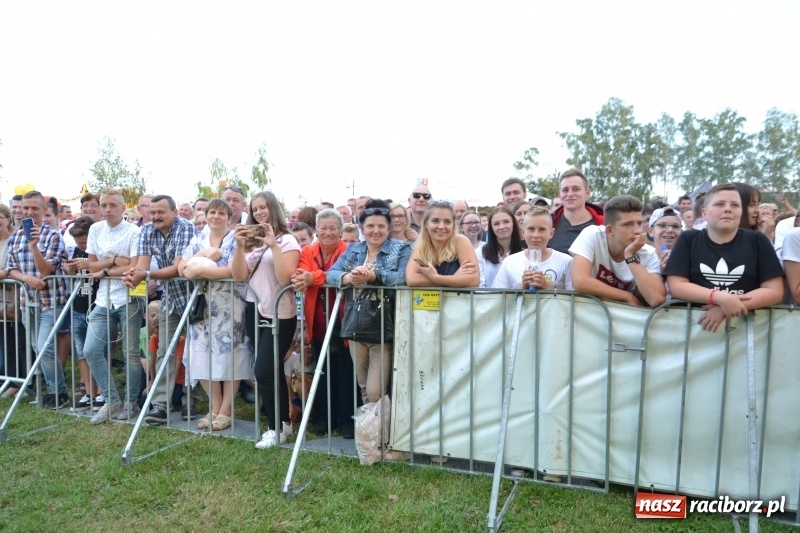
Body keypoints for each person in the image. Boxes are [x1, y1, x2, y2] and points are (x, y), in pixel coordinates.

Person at [230, 191, 300, 449]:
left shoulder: (287, 240)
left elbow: (285, 279)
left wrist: (273, 245)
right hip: (254, 309)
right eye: (254, 208)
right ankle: (284, 424)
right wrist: (240, 246)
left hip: (280, 313)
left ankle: (275, 428)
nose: (258, 212)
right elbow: (239, 276)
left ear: (273, 208)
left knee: (262, 371)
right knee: (271, 370)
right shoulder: (251, 242)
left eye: (263, 207)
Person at [665, 183, 784, 333]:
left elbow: (774, 291)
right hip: (693, 331)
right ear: (704, 213)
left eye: (735, 205)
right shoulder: (688, 239)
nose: (728, 209)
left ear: (741, 212)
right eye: (720, 204)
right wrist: (719, 298)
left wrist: (726, 307)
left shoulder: (757, 240)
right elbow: (676, 286)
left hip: (744, 333)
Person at [327, 199, 411, 406]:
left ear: (388, 228)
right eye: (370, 226)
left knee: (375, 391)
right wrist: (349, 278)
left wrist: (374, 276)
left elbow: (403, 277)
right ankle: (372, 426)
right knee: (364, 385)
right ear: (362, 228)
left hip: (385, 325)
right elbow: (331, 273)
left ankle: (382, 425)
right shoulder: (353, 249)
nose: (376, 230)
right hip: (356, 323)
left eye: (381, 226)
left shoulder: (401, 249)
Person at [177, 199, 252, 431]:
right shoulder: (197, 239)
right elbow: (182, 269)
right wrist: (203, 255)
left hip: (230, 307)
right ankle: (215, 406)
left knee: (231, 358)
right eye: (212, 212)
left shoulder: (234, 239)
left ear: (229, 217)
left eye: (221, 213)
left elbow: (236, 272)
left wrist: (200, 269)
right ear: (206, 215)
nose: (216, 216)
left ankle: (226, 410)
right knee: (200, 356)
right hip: (202, 307)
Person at [123, 194, 196, 424]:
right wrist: (133, 276)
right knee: (165, 351)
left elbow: (178, 268)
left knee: (196, 351)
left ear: (174, 212)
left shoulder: (185, 227)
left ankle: (190, 400)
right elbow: (141, 266)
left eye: (161, 212)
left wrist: (144, 274)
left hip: (195, 296)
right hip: (170, 298)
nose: (155, 216)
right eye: (152, 212)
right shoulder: (146, 230)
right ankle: (161, 406)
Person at [80, 190, 144, 422]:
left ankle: (131, 402)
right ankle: (112, 400)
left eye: (112, 205)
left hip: (129, 297)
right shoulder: (95, 229)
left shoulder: (134, 231)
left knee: (130, 353)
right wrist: (115, 261)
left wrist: (104, 270)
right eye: (104, 205)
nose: (107, 209)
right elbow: (91, 266)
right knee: (90, 349)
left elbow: (134, 267)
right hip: (103, 299)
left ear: (123, 208)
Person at [290, 208, 353, 438]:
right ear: (316, 230)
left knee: (346, 373)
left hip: (344, 321)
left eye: (333, 228)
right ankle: (326, 418)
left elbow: (338, 274)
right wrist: (311, 277)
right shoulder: (308, 250)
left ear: (340, 230)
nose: (328, 232)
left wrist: (313, 277)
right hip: (317, 322)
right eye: (323, 228)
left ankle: (346, 420)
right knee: (323, 370)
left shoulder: (349, 250)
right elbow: (302, 272)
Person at [6, 191, 69, 408]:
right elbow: (11, 269)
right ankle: (56, 387)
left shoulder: (53, 236)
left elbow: (45, 270)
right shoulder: (15, 237)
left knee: (44, 346)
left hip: (51, 301)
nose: (29, 212)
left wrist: (34, 245)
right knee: (36, 346)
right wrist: (26, 278)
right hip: (26, 301)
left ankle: (58, 391)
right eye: (26, 208)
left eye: (34, 208)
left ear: (44, 210)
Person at [570, 195, 666, 307]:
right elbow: (580, 281)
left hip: (624, 315)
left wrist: (630, 255)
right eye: (628, 224)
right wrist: (627, 297)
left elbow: (656, 299)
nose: (638, 230)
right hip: (589, 309)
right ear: (610, 230)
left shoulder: (648, 253)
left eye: (639, 223)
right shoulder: (593, 235)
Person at [61, 216, 101, 410]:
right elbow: (75, 276)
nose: (81, 246)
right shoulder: (77, 250)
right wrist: (71, 269)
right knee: (81, 352)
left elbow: (107, 270)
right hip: (78, 305)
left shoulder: (100, 250)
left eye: (84, 242)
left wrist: (89, 264)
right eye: (78, 243)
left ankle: (101, 392)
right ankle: (88, 392)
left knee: (98, 351)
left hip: (98, 305)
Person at [493, 207, 573, 290]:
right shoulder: (509, 262)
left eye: (542, 229)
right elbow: (497, 295)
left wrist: (549, 288)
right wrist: (522, 288)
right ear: (523, 232)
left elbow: (574, 296)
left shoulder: (566, 262)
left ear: (551, 233)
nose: (536, 235)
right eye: (531, 229)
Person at [406, 200, 480, 288]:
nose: (441, 226)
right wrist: (454, 279)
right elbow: (411, 279)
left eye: (447, 222)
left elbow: (473, 280)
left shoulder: (461, 242)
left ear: (453, 225)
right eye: (435, 221)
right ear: (426, 224)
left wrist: (436, 278)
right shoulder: (421, 245)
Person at [0, 204, 28, 399]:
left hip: (17, 297)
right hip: (2, 300)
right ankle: (11, 381)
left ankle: (24, 382)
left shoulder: (16, 238)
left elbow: (14, 267)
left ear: (8, 218)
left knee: (20, 341)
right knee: (6, 342)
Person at [549, 169, 604, 254]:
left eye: (576, 189)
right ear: (560, 195)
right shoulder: (549, 223)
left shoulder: (603, 225)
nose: (570, 194)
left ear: (587, 193)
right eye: (565, 190)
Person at [476, 206, 524, 288]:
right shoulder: (480, 253)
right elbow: (480, 285)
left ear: (513, 224)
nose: (502, 227)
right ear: (491, 228)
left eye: (506, 222)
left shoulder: (524, 252)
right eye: (496, 224)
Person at [647, 207, 682, 273]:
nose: (670, 230)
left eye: (675, 226)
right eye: (662, 225)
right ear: (651, 231)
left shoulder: (688, 259)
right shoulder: (644, 259)